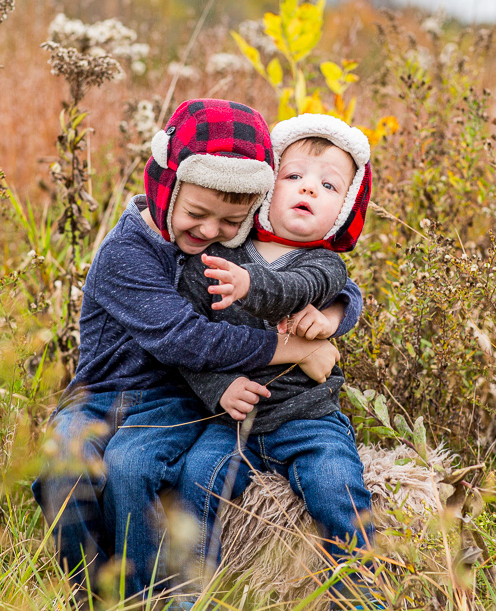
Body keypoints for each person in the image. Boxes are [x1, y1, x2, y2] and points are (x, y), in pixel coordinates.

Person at [32, 100, 361, 604]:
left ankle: (151, 594)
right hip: (103, 394)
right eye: (196, 215)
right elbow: (189, 339)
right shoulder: (128, 253)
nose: (209, 231)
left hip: (177, 399)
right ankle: (92, 590)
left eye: (230, 221)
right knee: (63, 467)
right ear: (166, 190)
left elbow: (315, 268)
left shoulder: (232, 237)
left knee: (130, 467)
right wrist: (292, 347)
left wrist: (337, 310)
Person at [175, 113, 381, 609]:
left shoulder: (323, 266)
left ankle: (361, 594)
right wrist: (218, 388)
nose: (308, 189)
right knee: (197, 480)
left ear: (343, 208)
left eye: (329, 185)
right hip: (234, 420)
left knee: (336, 484)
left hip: (308, 416)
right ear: (267, 187)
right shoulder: (223, 251)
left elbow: (295, 289)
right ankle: (188, 595)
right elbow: (191, 341)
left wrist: (255, 287)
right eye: (293, 176)